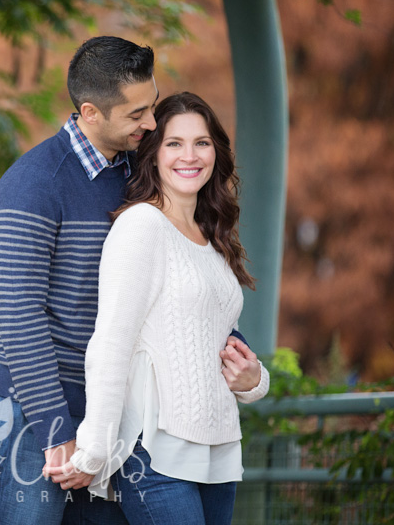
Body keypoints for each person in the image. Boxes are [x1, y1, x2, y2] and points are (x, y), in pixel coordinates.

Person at [0, 38, 261, 524]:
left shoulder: (140, 173)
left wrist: (238, 358)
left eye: (151, 107)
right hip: (33, 407)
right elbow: (21, 317)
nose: (150, 124)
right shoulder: (33, 183)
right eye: (137, 115)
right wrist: (57, 431)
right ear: (90, 112)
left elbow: (177, 291)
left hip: (115, 414)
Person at [45, 91, 271, 525]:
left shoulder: (213, 237)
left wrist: (254, 380)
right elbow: (112, 342)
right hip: (157, 455)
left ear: (216, 152)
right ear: (153, 154)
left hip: (218, 451)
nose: (190, 155)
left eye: (202, 143)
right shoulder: (142, 226)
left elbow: (224, 342)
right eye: (174, 143)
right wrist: (93, 450)